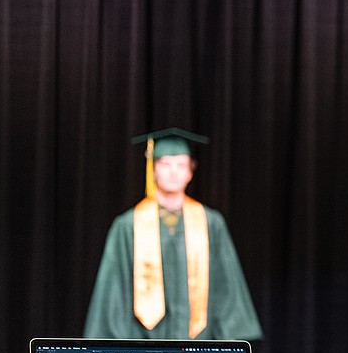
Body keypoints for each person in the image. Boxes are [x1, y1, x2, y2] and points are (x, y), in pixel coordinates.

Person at [84, 128, 263, 341]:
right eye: (165, 164)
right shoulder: (128, 225)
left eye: (180, 165)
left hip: (199, 345)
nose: (173, 172)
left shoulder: (211, 223)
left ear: (190, 171)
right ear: (153, 170)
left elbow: (227, 288)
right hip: (143, 345)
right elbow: (114, 291)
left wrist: (227, 339)